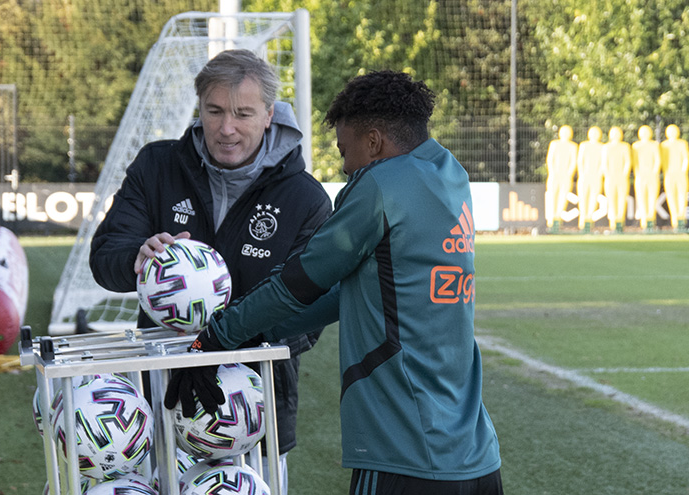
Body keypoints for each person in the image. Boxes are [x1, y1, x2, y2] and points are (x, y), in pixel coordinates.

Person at [167, 70, 503, 494]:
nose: (345, 167)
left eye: (346, 151)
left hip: (406, 451)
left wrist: (217, 335)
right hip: (474, 455)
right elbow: (359, 294)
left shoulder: (381, 185)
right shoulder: (449, 174)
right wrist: (254, 335)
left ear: (375, 142)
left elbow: (299, 282)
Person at [88, 48, 333, 493]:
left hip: (248, 407)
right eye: (214, 111)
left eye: (243, 113)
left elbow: (306, 318)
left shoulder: (306, 199)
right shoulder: (157, 165)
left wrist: (218, 346)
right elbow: (106, 257)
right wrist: (137, 259)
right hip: (159, 395)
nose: (226, 129)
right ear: (199, 108)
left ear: (270, 114)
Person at [545, 125, 578, 231]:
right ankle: (551, 219)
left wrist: (568, 173)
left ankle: (557, 219)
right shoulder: (554, 144)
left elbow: (573, 161)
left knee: (562, 198)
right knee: (552, 196)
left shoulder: (573, 146)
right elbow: (550, 159)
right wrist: (553, 172)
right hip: (554, 175)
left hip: (566, 176)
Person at [632, 125, 661, 231]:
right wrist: (638, 173)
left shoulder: (654, 145)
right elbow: (635, 162)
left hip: (652, 176)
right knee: (641, 199)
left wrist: (654, 172)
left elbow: (657, 160)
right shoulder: (636, 146)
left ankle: (651, 220)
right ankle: (644, 222)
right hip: (641, 176)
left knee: (652, 198)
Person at [602, 126, 632, 232]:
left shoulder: (624, 146)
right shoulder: (606, 147)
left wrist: (624, 173)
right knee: (611, 200)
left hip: (621, 177)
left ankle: (620, 220)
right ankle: (613, 222)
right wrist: (608, 174)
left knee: (621, 199)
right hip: (610, 177)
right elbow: (604, 162)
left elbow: (627, 161)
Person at [660, 124, 689, 231]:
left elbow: (686, 158)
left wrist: (683, 170)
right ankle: (675, 221)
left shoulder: (682, 143)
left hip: (680, 174)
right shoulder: (664, 145)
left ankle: (681, 219)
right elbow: (662, 160)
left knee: (682, 197)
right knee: (671, 197)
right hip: (669, 174)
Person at [576, 126, 605, 232]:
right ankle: (583, 221)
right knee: (583, 199)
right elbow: (580, 161)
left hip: (596, 177)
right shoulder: (584, 146)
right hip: (585, 176)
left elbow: (603, 163)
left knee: (593, 199)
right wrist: (583, 173)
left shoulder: (602, 147)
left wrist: (599, 174)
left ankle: (589, 220)